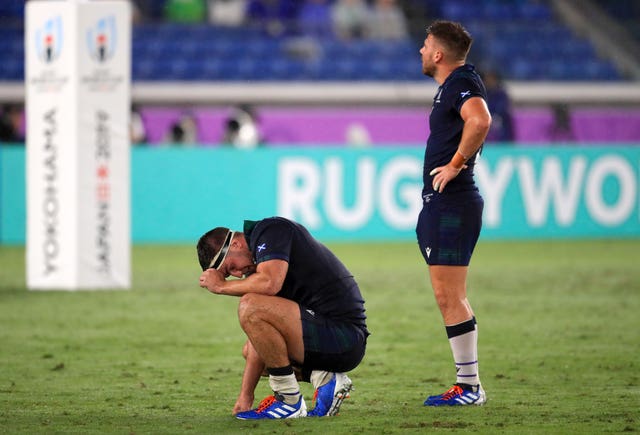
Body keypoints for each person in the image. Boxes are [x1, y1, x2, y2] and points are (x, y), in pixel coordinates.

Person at [197, 217, 369, 419]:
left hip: (345, 335)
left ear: (234, 244)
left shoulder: (271, 229)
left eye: (230, 267)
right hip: (332, 336)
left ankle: (288, 401)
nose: (236, 274)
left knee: (249, 305)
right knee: (251, 349)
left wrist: (221, 286)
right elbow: (259, 340)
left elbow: (270, 283)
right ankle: (324, 378)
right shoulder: (263, 264)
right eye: (229, 275)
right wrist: (245, 396)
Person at [416, 20, 491, 406]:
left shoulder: (461, 82)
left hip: (453, 203)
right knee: (448, 295)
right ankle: (468, 385)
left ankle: (469, 386)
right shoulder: (453, 85)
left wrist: (456, 163)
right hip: (446, 204)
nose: (422, 51)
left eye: (426, 45)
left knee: (449, 296)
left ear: (440, 54)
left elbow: (480, 120)